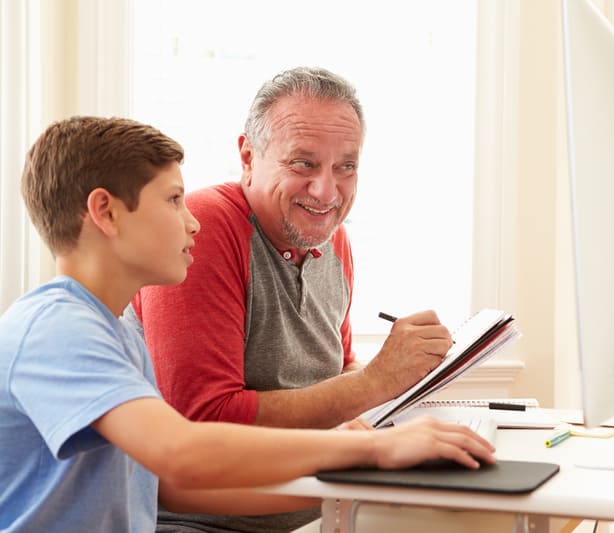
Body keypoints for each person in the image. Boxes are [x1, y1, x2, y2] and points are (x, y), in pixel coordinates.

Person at [0, 116, 495, 533]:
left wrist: (355, 480)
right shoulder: (56, 327)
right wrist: (373, 447)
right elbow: (179, 452)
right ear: (105, 212)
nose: (191, 220)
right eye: (173, 200)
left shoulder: (114, 335)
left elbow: (172, 486)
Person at [123, 67, 458, 531]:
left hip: (324, 510)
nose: (326, 191)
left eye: (346, 166)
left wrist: (398, 389)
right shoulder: (203, 227)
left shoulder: (333, 240)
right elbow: (202, 418)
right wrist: (376, 383)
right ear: (248, 156)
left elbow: (335, 371)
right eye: (303, 164)